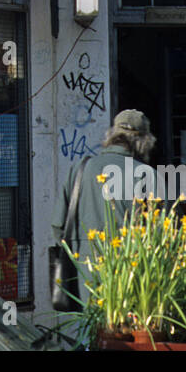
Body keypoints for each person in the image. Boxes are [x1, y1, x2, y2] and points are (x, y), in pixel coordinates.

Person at [51, 109, 158, 303]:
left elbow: (58, 226)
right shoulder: (146, 174)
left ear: (111, 135)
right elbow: (162, 231)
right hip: (131, 271)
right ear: (144, 141)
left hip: (85, 270)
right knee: (127, 329)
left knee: (91, 329)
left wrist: (81, 252)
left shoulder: (81, 168)